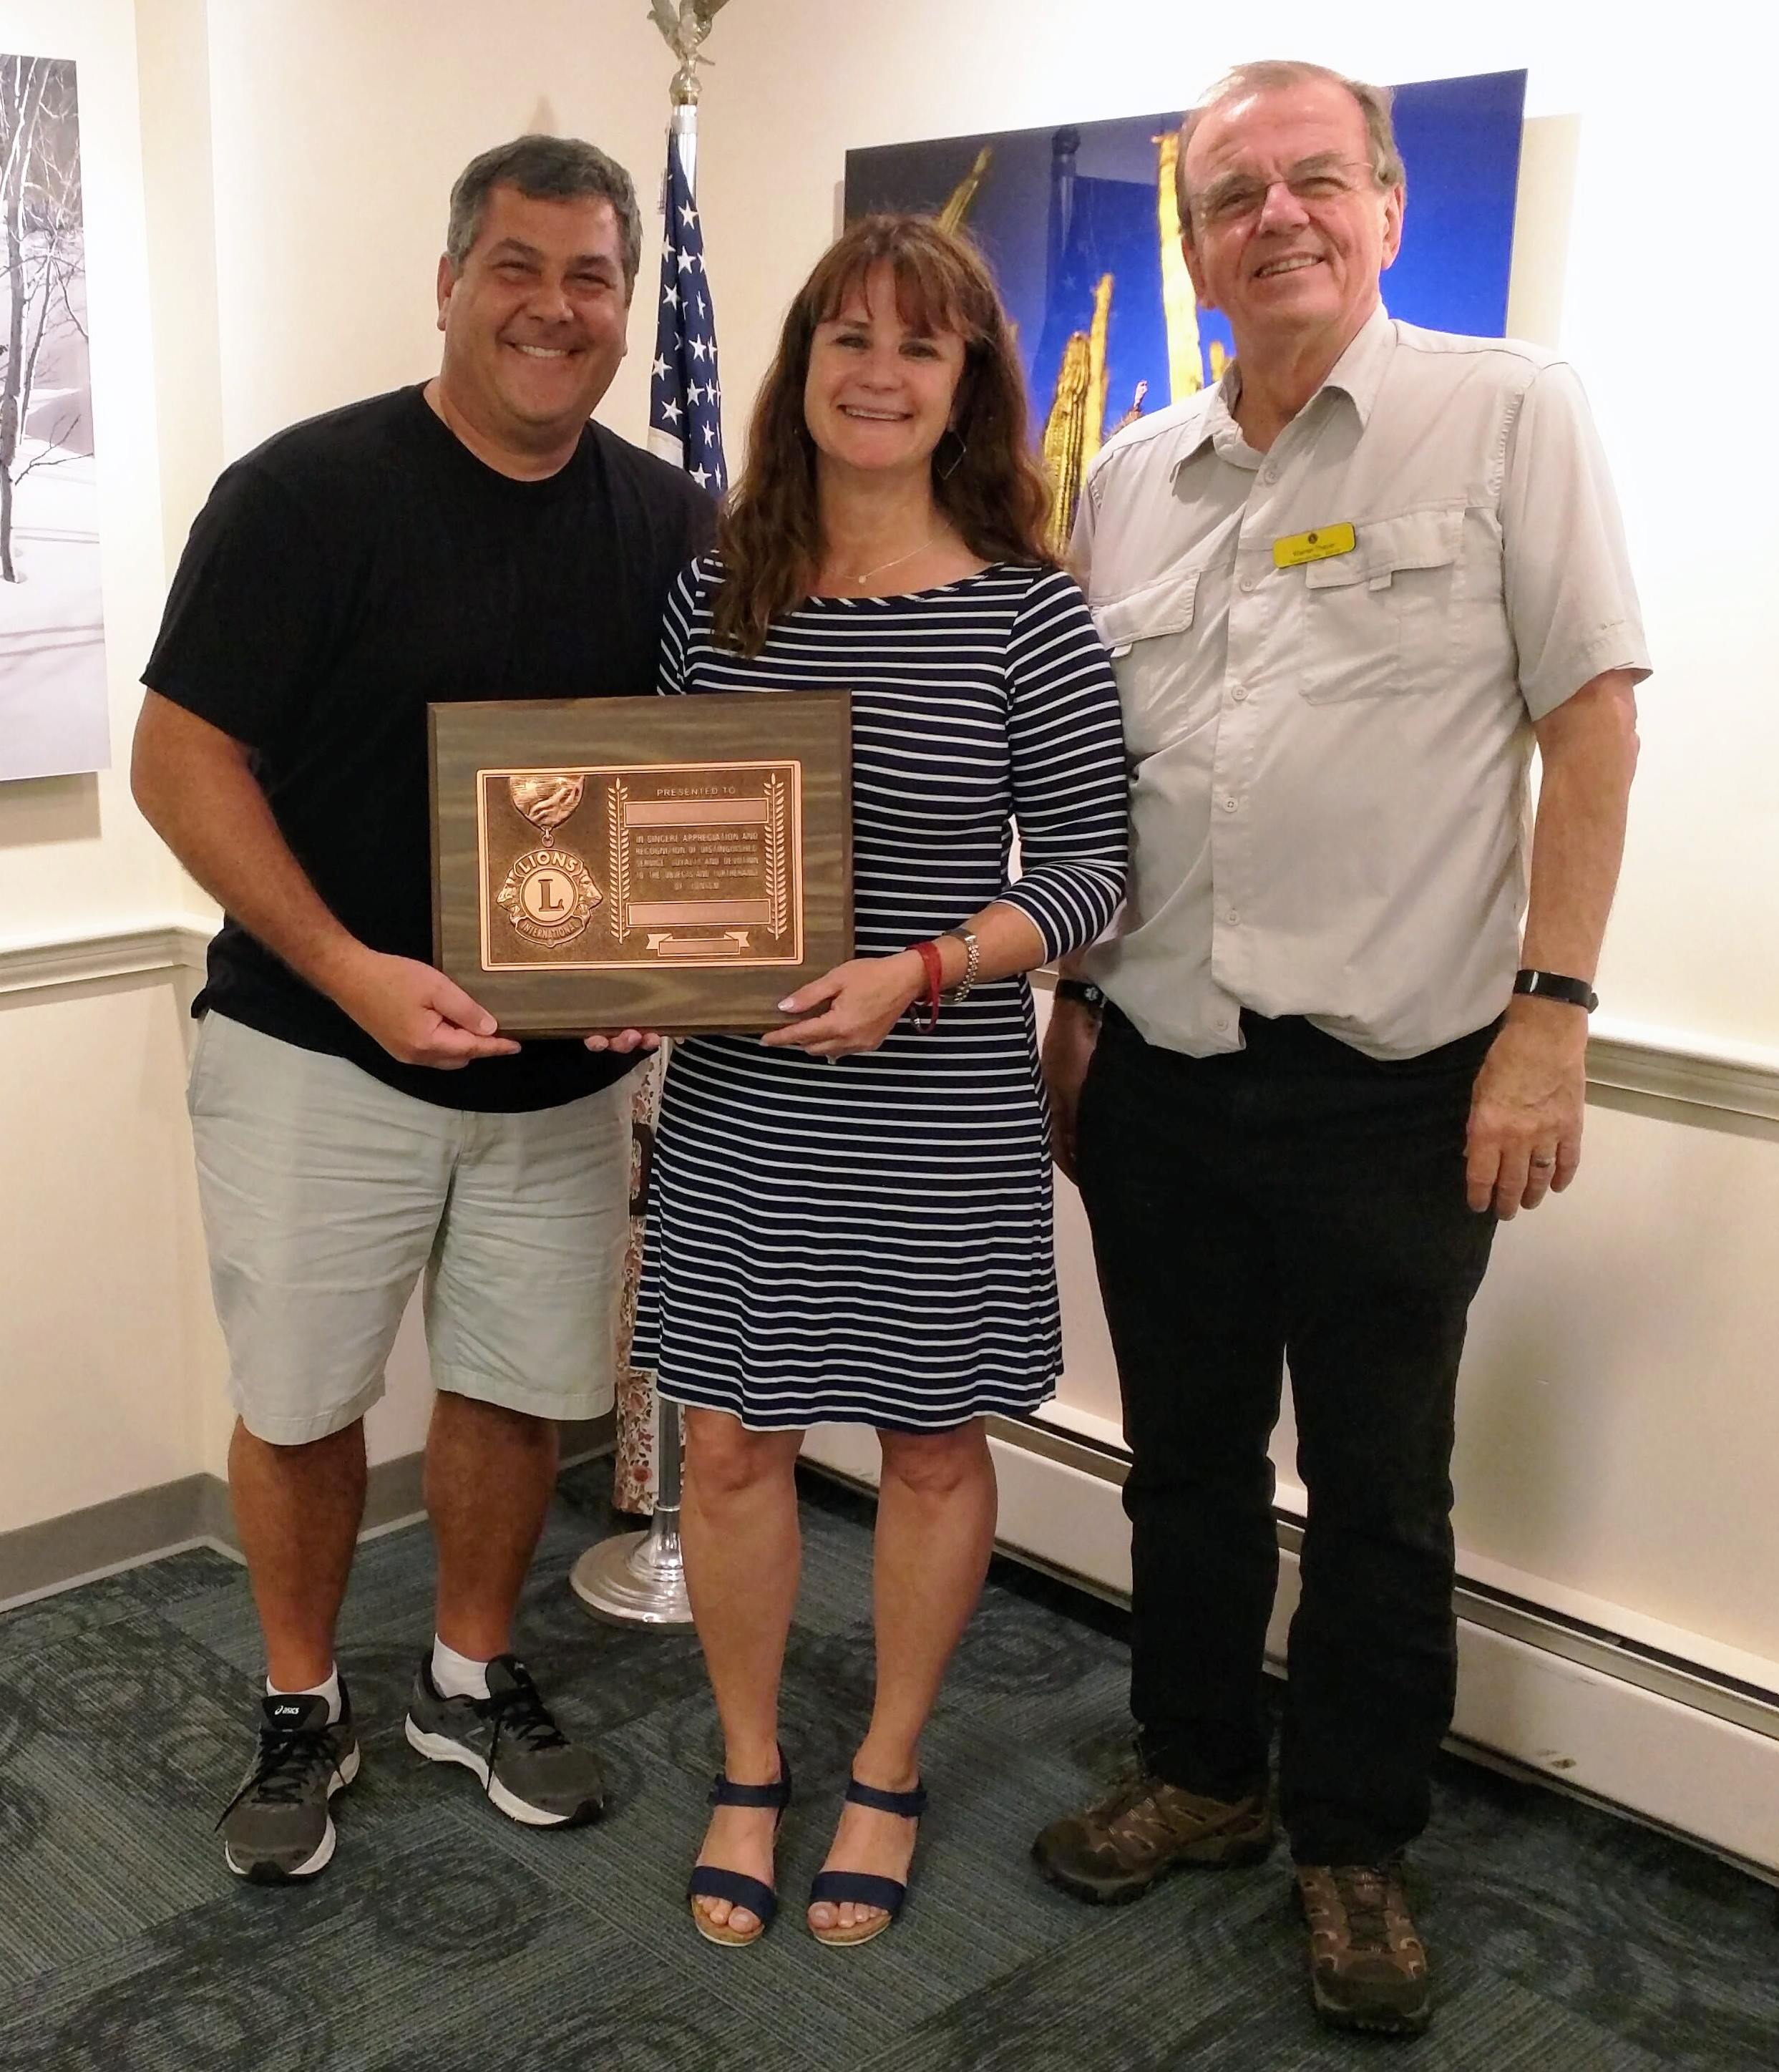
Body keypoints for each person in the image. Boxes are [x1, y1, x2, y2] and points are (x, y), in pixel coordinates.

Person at [1029, 62, 1647, 2038]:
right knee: (1182, 1468)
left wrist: (1547, 1022)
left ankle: (1351, 1844)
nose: (1273, 216)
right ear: (1194, 239)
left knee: (1378, 1492)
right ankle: (1202, 1771)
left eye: (1313, 180)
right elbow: (1102, 784)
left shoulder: (1505, 411)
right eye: (1233, 193)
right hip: (1156, 1070)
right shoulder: (1129, 474)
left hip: (1398, 1082)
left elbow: (1591, 724)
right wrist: (1066, 1012)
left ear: (1380, 207)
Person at [131, 135, 711, 1884]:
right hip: (317, 1050)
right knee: (304, 1398)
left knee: (516, 1387)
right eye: (518, 267)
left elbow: (685, 793)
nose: (556, 306)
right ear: (447, 284)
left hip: (550, 1080)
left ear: (626, 308)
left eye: (593, 276)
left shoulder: (673, 518)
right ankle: (302, 1693)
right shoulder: (302, 495)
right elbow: (181, 760)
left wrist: (657, 971)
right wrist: (349, 969)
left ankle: (469, 1667)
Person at [630, 214, 1128, 1950]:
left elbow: (1086, 870)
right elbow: (662, 835)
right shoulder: (718, 593)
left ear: (967, 381)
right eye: (844, 335)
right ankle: (754, 1763)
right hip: (745, 1097)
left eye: (917, 344)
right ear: (801, 368)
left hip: (932, 1097)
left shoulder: (1027, 611)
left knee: (928, 1446)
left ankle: (892, 1764)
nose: (877, 369)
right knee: (732, 1440)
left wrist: (922, 970)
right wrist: (627, 977)